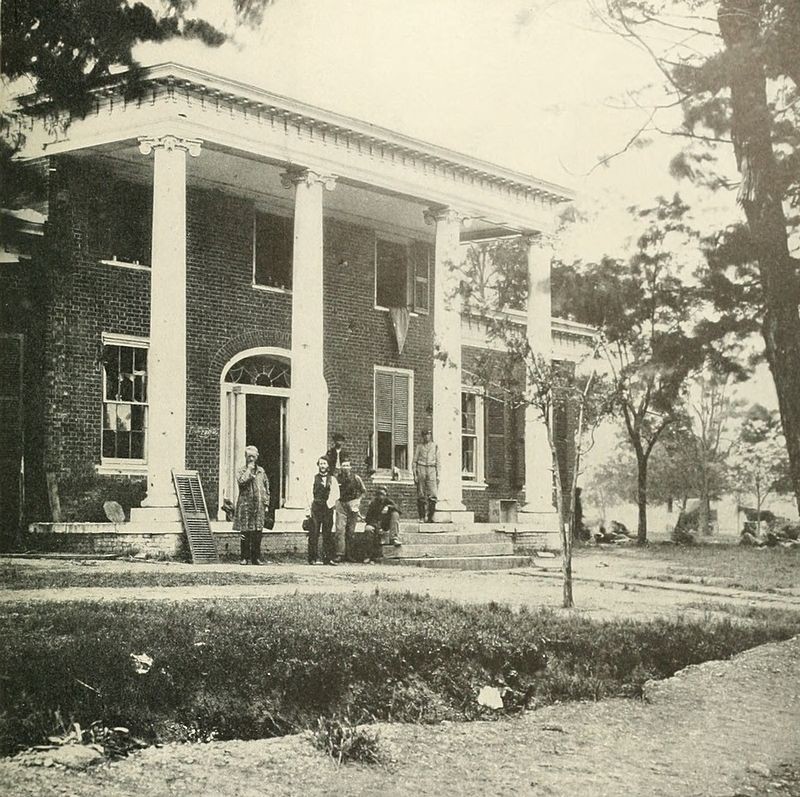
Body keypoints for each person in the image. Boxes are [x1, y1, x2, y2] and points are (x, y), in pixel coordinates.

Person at [233, 445, 270, 565]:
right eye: (249, 456)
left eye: (253, 457)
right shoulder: (241, 470)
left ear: (257, 457)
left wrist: (266, 502)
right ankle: (244, 557)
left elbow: (266, 487)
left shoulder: (261, 471)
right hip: (245, 506)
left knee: (257, 532)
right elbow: (242, 482)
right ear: (245, 457)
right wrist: (249, 470)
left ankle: (256, 558)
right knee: (245, 532)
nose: (251, 459)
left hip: (258, 506)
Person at [308, 456, 340, 565]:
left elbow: (336, 494)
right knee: (314, 533)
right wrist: (309, 510)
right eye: (321, 464)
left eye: (324, 464)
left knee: (327, 533)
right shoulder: (313, 478)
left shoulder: (332, 479)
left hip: (327, 508)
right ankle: (313, 558)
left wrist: (328, 504)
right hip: (316, 508)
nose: (322, 466)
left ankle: (328, 558)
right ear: (318, 465)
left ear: (328, 466)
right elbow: (308, 494)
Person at [335, 459, 365, 561]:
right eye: (344, 465)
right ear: (341, 467)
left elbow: (363, 491)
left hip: (352, 505)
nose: (346, 468)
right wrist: (336, 503)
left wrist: (358, 501)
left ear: (350, 467)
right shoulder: (337, 479)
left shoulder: (356, 478)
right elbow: (333, 491)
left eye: (348, 465)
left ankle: (349, 555)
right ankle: (340, 554)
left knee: (351, 531)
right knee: (340, 529)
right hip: (341, 504)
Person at [363, 486, 401, 562]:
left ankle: (394, 538)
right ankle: (368, 556)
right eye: (379, 494)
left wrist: (389, 507)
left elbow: (398, 510)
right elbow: (368, 519)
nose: (381, 496)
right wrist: (377, 527)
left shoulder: (389, 502)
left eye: (383, 494)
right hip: (375, 524)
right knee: (368, 529)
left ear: (386, 494)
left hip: (385, 525)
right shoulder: (373, 504)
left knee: (395, 514)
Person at [412, 429, 440, 522]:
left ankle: (430, 517)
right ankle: (422, 517)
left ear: (430, 435)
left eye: (428, 434)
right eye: (424, 435)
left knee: (433, 494)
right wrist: (415, 474)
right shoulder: (419, 447)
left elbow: (438, 461)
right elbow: (414, 461)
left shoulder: (435, 446)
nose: (426, 437)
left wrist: (438, 475)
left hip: (432, 469)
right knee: (421, 494)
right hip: (421, 468)